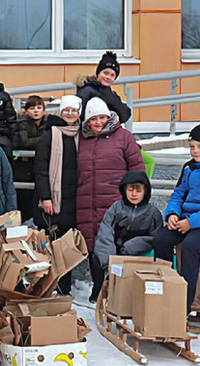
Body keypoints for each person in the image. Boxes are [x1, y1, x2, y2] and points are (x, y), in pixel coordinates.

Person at [76, 97, 144, 254]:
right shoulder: (80, 139)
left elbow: (137, 168)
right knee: (92, 247)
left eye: (102, 117)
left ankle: (116, 279)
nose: (99, 122)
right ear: (87, 121)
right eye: (93, 118)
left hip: (116, 201)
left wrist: (136, 197)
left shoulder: (124, 136)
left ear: (109, 117)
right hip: (87, 203)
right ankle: (97, 280)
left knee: (118, 245)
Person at [33, 95, 82, 295]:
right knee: (48, 246)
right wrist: (46, 197)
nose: (70, 114)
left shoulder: (82, 135)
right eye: (66, 110)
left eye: (74, 110)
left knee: (66, 246)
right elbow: (40, 168)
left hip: (74, 200)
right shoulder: (50, 135)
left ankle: (64, 288)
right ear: (60, 112)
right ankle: (45, 286)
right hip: (53, 202)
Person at [90, 170, 161, 303]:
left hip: (137, 253)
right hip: (115, 249)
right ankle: (98, 289)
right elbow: (105, 233)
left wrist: (134, 246)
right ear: (124, 190)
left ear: (145, 191)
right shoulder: (116, 208)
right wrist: (109, 262)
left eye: (138, 190)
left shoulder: (153, 212)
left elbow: (156, 238)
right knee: (96, 258)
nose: (133, 194)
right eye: (130, 189)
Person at [153, 125, 200, 313]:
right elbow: (178, 194)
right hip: (184, 219)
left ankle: (184, 305)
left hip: (196, 223)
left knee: (189, 246)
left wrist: (192, 222)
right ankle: (165, 288)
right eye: (191, 146)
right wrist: (172, 214)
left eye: (199, 146)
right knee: (161, 239)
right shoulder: (188, 167)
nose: (194, 151)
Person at [13, 95, 46, 222]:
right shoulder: (21, 123)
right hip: (23, 169)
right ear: (26, 111)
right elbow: (24, 142)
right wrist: (45, 140)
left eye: (39, 107)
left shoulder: (48, 123)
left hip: (38, 167)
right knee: (24, 202)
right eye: (32, 108)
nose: (36, 111)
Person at [76, 51, 131, 124]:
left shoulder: (111, 94)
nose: (108, 77)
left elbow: (125, 116)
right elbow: (80, 116)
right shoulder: (86, 90)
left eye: (112, 75)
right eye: (105, 73)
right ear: (98, 73)